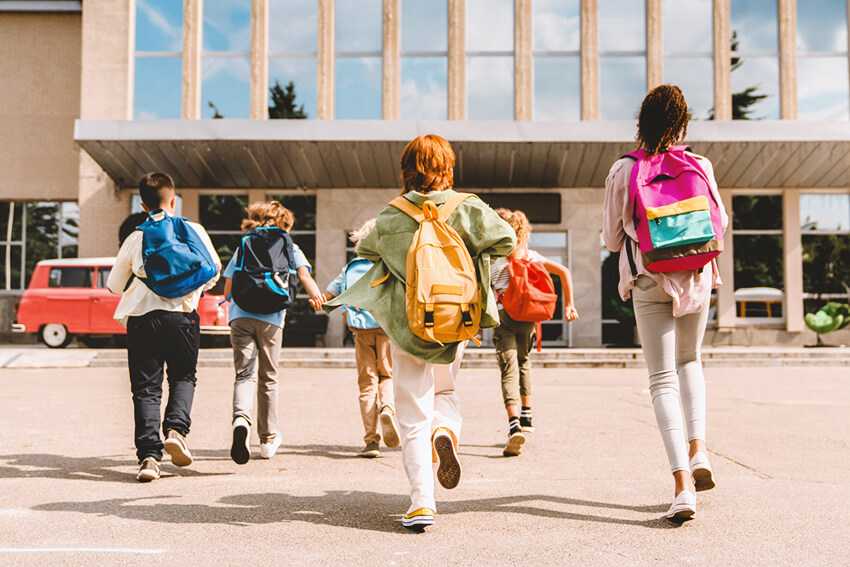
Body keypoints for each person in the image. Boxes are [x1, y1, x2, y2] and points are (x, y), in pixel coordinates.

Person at [323, 134, 515, 532]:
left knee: (412, 412)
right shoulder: (469, 207)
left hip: (410, 325)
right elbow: (506, 240)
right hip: (456, 321)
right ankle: (445, 431)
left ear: (406, 169)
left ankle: (422, 502)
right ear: (448, 166)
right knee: (445, 391)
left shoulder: (391, 216)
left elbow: (366, 254)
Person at [602, 85, 728, 521]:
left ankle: (681, 486)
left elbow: (612, 238)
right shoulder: (700, 163)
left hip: (649, 276)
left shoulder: (624, 169)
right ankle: (699, 450)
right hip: (695, 275)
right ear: (682, 125)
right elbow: (721, 224)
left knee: (661, 379)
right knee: (690, 361)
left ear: (642, 122)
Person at [107, 172, 221, 482]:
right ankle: (176, 430)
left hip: (143, 320)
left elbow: (113, 285)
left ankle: (149, 459)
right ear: (174, 200)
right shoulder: (192, 229)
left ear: (143, 204)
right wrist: (187, 289)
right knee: (183, 376)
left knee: (146, 389)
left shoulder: (136, 236)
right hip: (183, 317)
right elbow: (213, 271)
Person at [223, 200, 323, 464]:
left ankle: (241, 421)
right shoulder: (290, 245)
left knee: (244, 374)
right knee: (269, 378)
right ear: (284, 224)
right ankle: (267, 439)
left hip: (240, 316)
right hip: (272, 319)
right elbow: (303, 276)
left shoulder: (245, 242)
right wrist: (317, 299)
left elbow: (227, 289)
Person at [489, 208, 579, 457]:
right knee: (524, 362)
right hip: (528, 318)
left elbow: (482, 292)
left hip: (504, 318)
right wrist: (569, 304)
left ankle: (514, 424)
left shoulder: (494, 260)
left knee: (509, 369)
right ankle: (527, 416)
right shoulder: (531, 256)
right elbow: (565, 272)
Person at [309, 218, 400, 459]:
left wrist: (318, 300)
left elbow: (328, 296)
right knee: (387, 375)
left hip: (360, 332)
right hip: (385, 328)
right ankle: (388, 407)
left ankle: (371, 441)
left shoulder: (351, 267)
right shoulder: (388, 264)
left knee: (367, 384)